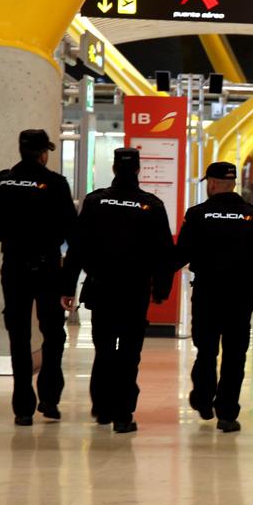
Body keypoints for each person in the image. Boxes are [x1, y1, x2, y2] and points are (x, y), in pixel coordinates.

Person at [62, 148, 175, 433]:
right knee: (128, 352)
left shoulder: (95, 202)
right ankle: (123, 414)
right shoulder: (152, 205)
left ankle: (101, 407)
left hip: (100, 288)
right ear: (138, 170)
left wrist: (67, 287)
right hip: (135, 291)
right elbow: (164, 254)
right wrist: (161, 289)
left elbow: (77, 248)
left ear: (113, 169)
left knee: (103, 349)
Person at [0, 129, 77, 426]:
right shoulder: (56, 184)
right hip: (48, 268)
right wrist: (69, 280)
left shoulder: (0, 181)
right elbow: (74, 234)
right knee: (54, 334)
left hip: (14, 268)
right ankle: (49, 396)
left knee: (18, 336)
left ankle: (22, 407)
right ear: (43, 153)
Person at [174, 161, 253, 433]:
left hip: (207, 294)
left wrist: (153, 273)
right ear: (233, 183)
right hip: (241, 297)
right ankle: (227, 414)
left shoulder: (197, 214)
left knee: (205, 350)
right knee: (234, 355)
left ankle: (204, 399)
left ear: (213, 183)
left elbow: (182, 253)